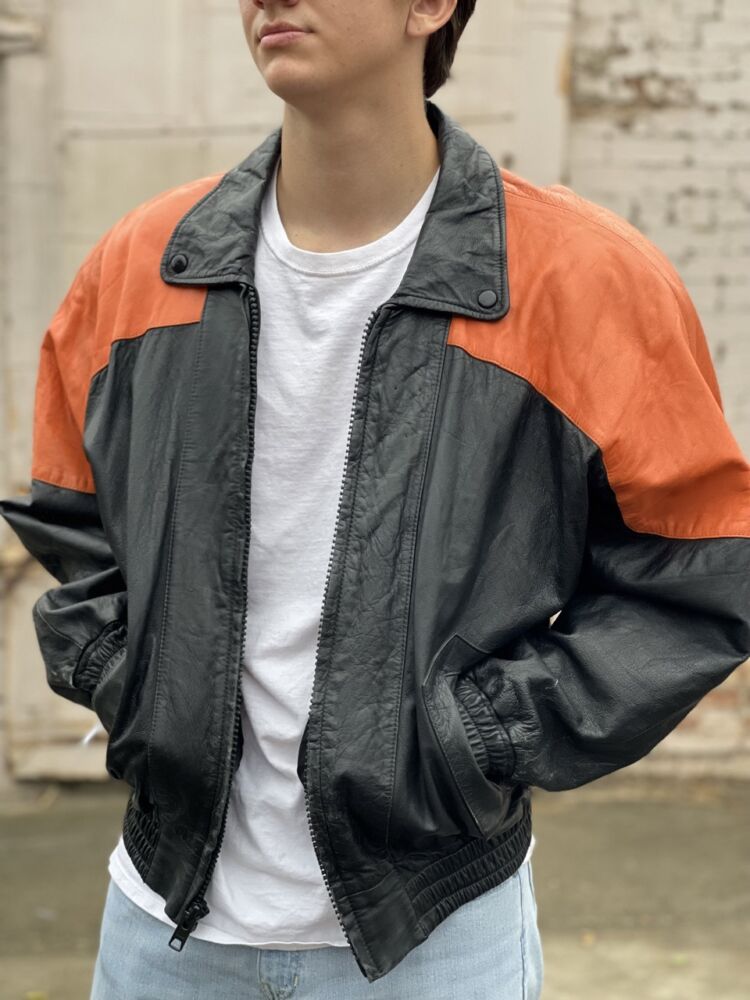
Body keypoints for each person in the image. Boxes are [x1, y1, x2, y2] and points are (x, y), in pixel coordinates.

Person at [1, 0, 748, 997]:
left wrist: (479, 733)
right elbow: (69, 516)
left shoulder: (583, 279)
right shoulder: (141, 267)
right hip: (160, 930)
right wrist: (140, 687)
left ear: (430, 6)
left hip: (433, 938)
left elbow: (699, 572)